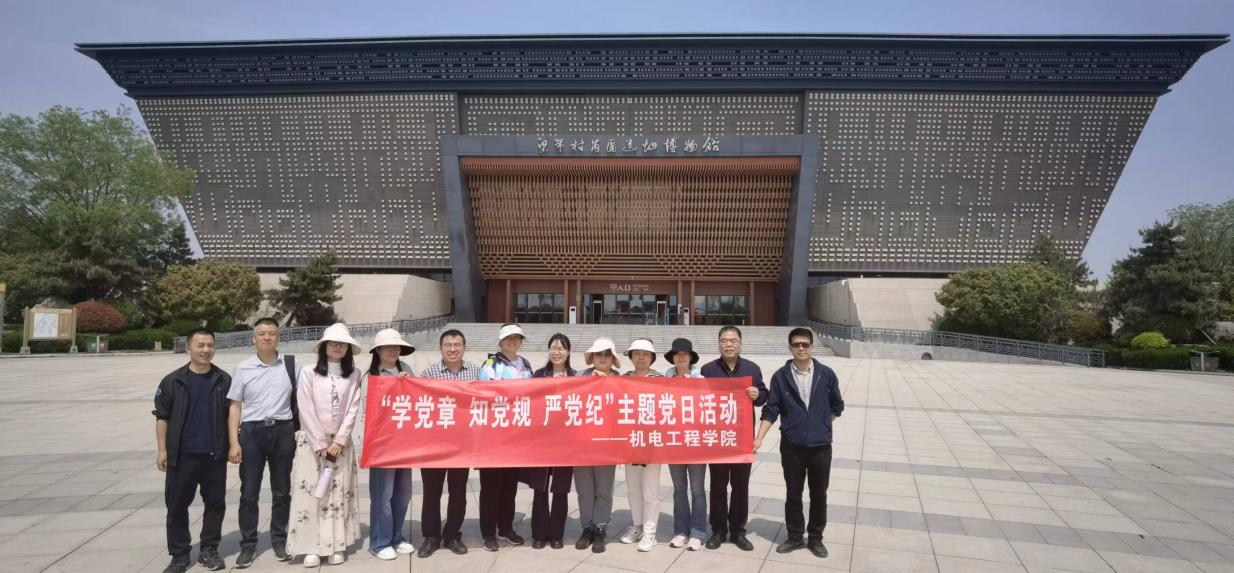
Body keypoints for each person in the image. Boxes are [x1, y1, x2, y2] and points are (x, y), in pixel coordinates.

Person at [754, 327, 843, 559]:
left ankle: (815, 538)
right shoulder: (780, 376)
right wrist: (759, 437)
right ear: (790, 348)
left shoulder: (826, 374)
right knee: (793, 493)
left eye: (805, 344)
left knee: (819, 494)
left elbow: (837, 406)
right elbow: (771, 410)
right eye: (796, 345)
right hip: (792, 446)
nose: (801, 348)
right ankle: (794, 536)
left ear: (811, 347)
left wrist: (820, 425)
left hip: (820, 447)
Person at [154, 329, 231, 573]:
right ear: (188, 348)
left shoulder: (224, 380)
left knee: (215, 505)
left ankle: (209, 550)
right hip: (181, 456)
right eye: (200, 345)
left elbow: (231, 417)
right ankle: (179, 555)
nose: (206, 350)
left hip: (214, 456)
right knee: (176, 506)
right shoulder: (172, 381)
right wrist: (162, 450)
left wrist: (233, 445)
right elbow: (162, 417)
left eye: (210, 345)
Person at [286, 323, 363, 566]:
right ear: (324, 346)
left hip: (340, 446)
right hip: (312, 444)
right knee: (311, 494)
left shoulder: (354, 374)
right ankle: (310, 546)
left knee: (339, 495)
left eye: (343, 344)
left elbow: (352, 408)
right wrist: (320, 444)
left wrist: (339, 440)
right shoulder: (308, 372)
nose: (338, 347)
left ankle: (336, 545)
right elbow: (305, 408)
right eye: (333, 343)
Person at [226, 318, 298, 568]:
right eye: (262, 333)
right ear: (253, 338)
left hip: (283, 431)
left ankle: (279, 539)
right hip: (251, 433)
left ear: (279, 337)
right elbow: (235, 406)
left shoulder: (291, 365)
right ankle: (248, 545)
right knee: (249, 492)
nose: (267, 337)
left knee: (282, 491)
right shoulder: (242, 368)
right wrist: (233, 442)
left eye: (272, 333)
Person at [699, 325, 768, 551]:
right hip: (717, 438)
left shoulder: (752, 368)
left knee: (740, 486)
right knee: (717, 486)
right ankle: (718, 531)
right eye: (724, 340)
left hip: (742, 438)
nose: (729, 344)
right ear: (719, 344)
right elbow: (698, 400)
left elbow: (763, 396)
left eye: (733, 340)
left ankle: (738, 531)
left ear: (740, 344)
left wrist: (757, 394)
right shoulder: (708, 369)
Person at [416, 328, 478, 558]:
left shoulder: (475, 372)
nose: (453, 349)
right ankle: (431, 537)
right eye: (448, 345)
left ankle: (452, 534)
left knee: (458, 491)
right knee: (431, 492)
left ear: (464, 347)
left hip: (462, 444)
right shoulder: (428, 373)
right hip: (434, 444)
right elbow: (418, 403)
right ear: (440, 348)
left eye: (457, 344)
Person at [357, 329, 416, 560]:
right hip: (381, 446)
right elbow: (366, 413)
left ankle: (396, 536)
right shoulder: (369, 377)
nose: (393, 350)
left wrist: (409, 384)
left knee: (403, 493)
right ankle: (379, 542)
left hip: (404, 443)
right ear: (378, 351)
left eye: (396, 347)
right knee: (383, 495)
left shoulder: (406, 369)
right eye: (388, 347)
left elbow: (419, 401)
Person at [477, 323, 533, 551]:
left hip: (517, 437)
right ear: (500, 342)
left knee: (510, 486)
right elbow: (484, 396)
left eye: (517, 338)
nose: (513, 341)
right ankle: (488, 532)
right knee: (491, 487)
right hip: (493, 437)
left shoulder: (526, 365)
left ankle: (506, 527)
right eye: (508, 338)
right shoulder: (491, 364)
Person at [523, 333, 577, 549]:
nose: (557, 352)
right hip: (542, 442)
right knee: (540, 489)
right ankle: (538, 534)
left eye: (561, 348)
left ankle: (556, 535)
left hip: (566, 443)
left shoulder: (576, 378)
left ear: (568, 352)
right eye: (553, 348)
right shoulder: (538, 375)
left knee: (561, 490)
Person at [574, 337, 621, 554]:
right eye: (598, 354)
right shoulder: (580, 377)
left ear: (613, 359)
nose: (602, 358)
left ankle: (600, 528)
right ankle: (587, 527)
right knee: (585, 489)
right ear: (592, 357)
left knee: (604, 489)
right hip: (581, 444)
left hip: (607, 444)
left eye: (607, 354)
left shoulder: (620, 380)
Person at [662, 337, 708, 552]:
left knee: (697, 490)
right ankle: (681, 531)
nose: (680, 357)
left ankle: (698, 532)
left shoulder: (701, 379)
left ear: (690, 357)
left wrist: (694, 387)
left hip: (695, 442)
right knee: (679, 489)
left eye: (684, 354)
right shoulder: (665, 378)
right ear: (673, 357)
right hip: (674, 442)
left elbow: (708, 408)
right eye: (677, 354)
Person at [620, 338, 664, 552]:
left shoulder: (660, 379)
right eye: (636, 353)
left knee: (650, 490)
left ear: (652, 357)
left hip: (652, 443)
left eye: (645, 354)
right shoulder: (623, 378)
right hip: (630, 443)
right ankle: (637, 525)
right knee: (633, 488)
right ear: (631, 356)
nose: (641, 357)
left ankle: (650, 531)